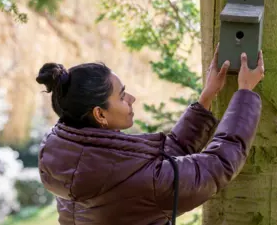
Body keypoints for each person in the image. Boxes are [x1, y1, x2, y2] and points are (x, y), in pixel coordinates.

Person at [36, 45, 265, 225]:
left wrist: (206, 98)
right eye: (122, 95)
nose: (131, 99)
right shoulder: (140, 178)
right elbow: (218, 165)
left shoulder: (67, 158)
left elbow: (162, 163)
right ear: (100, 114)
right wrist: (244, 93)